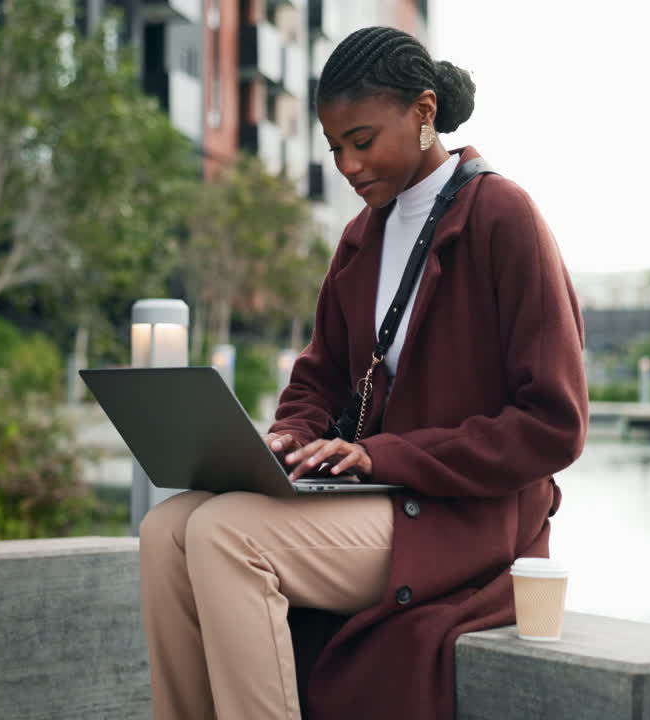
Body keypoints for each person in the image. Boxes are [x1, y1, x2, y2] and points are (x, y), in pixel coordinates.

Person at [138, 26, 588, 720]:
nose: (348, 164)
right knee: (166, 530)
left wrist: (386, 455)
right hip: (375, 498)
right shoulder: (361, 237)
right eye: (336, 147)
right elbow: (318, 379)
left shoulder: (504, 217)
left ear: (424, 112)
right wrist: (290, 436)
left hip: (462, 518)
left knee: (226, 534)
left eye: (363, 140)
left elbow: (554, 424)